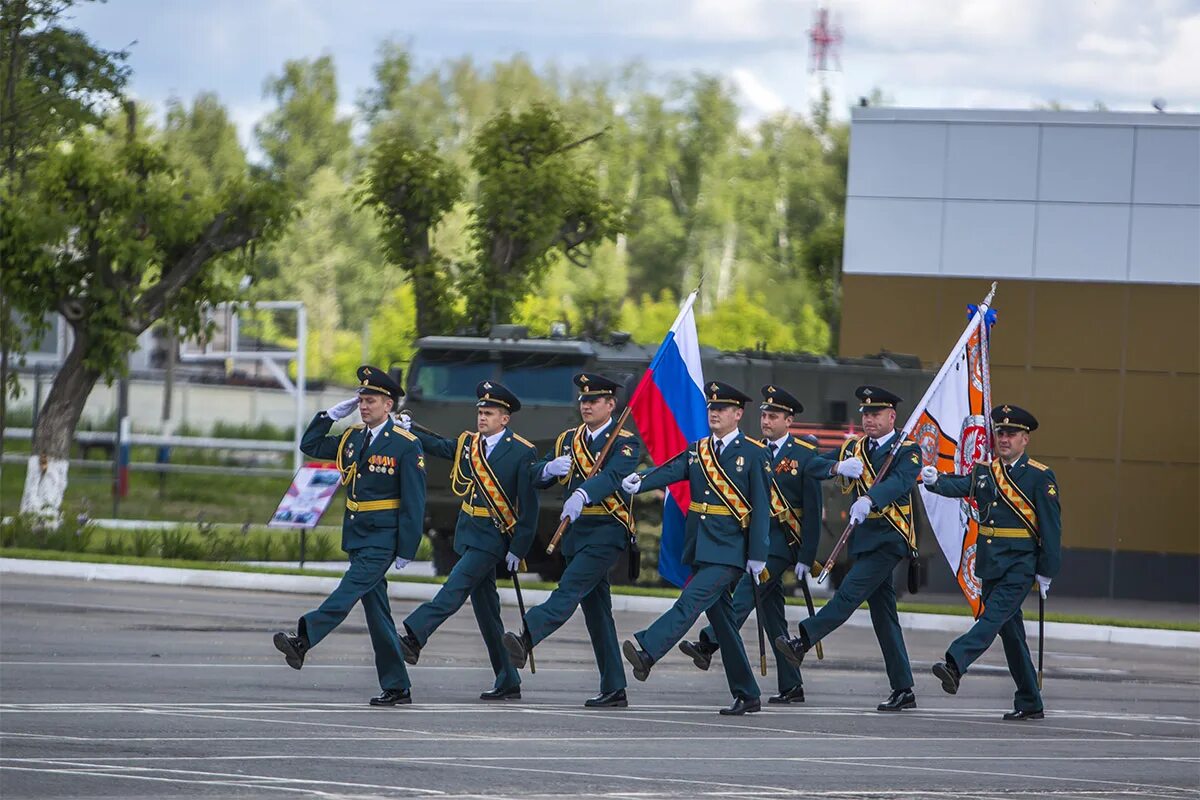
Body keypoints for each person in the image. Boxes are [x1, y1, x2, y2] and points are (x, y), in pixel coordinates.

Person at [677, 385, 854, 704]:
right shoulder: (753, 451)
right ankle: (791, 684)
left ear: (789, 420)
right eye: (764, 415)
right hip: (758, 541)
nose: (766, 421)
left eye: (773, 416)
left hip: (784, 543)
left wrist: (806, 555)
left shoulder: (803, 453)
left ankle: (709, 643)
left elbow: (812, 512)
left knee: (745, 591)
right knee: (773, 615)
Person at [273, 365, 425, 706]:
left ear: (389, 405)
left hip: (383, 538)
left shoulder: (405, 444)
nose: (363, 405)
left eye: (371, 400)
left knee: (347, 591)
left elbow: (414, 501)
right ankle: (397, 685)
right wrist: (328, 415)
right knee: (378, 614)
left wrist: (407, 547)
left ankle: (303, 639)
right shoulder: (352, 437)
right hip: (357, 535)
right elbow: (310, 444)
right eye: (361, 399)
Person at [618, 381, 770, 715]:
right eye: (711, 409)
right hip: (701, 546)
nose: (714, 414)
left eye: (722, 409)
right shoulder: (698, 450)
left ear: (738, 414)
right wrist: (641, 481)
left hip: (730, 549)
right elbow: (672, 470)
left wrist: (758, 553)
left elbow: (761, 506)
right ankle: (747, 692)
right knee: (725, 626)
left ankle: (648, 648)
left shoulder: (755, 453)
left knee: (689, 603)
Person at [776, 385, 921, 712]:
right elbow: (810, 466)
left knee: (848, 595)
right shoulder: (854, 447)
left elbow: (899, 482)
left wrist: (870, 498)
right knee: (885, 618)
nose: (870, 420)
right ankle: (903, 688)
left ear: (892, 416)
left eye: (876, 414)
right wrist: (837, 468)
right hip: (864, 541)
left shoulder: (907, 450)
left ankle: (802, 641)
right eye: (866, 414)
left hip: (889, 538)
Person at [502, 373, 640, 708]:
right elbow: (535, 476)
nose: (587, 405)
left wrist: (582, 492)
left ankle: (527, 634)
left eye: (594, 400)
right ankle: (614, 687)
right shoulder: (568, 439)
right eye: (583, 400)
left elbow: (612, 477)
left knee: (569, 590)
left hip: (607, 531)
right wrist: (548, 469)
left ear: (611, 405)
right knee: (597, 614)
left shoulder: (625, 441)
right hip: (577, 536)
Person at [396, 381, 538, 701]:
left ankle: (415, 636)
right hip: (470, 532)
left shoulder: (521, 451)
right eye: (480, 413)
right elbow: (443, 447)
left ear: (505, 418)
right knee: (488, 614)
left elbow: (529, 508)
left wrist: (519, 547)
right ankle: (507, 677)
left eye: (489, 413)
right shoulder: (471, 444)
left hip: (493, 536)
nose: (482, 418)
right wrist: (411, 431)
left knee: (453, 589)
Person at [923, 404, 1061, 721]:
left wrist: (1046, 572)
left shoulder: (1039, 477)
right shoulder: (986, 472)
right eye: (1001, 433)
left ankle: (955, 663)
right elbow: (960, 486)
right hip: (990, 563)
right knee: (1012, 638)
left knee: (990, 620)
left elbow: (1052, 529)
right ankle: (1030, 699)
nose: (1004, 439)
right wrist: (934, 480)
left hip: (1019, 565)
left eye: (1012, 434)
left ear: (1025, 439)